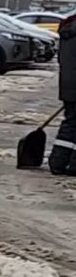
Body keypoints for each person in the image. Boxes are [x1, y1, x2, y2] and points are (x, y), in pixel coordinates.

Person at [50, 14, 76, 175]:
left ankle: (57, 162)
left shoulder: (68, 30)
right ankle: (72, 166)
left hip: (67, 85)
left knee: (70, 123)